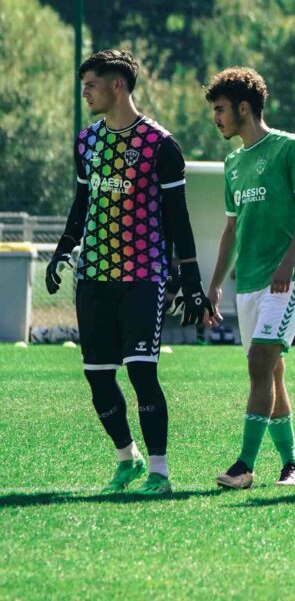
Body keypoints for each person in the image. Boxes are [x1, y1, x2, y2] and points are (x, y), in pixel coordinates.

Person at [44, 49, 206, 495]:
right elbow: (82, 203)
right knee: (97, 374)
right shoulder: (86, 141)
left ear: (118, 85)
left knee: (141, 372)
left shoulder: (160, 145)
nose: (86, 93)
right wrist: (63, 250)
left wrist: (189, 278)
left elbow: (178, 215)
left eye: (91, 84)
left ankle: (160, 471)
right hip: (93, 275)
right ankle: (126, 457)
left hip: (143, 276)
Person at [204, 67, 295, 489]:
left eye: (220, 110)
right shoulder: (233, 162)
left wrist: (287, 263)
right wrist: (216, 283)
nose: (216, 118)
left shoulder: (289, 148)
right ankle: (292, 464)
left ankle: (244, 466)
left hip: (288, 278)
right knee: (270, 373)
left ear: (244, 108)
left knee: (260, 363)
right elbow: (231, 230)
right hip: (249, 283)